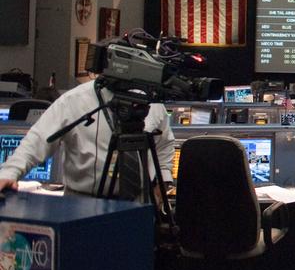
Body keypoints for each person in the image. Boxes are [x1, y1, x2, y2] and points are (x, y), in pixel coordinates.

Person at [0, 77, 175, 197]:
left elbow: (164, 143)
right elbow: (38, 140)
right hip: (83, 204)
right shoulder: (74, 101)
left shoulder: (150, 101)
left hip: (140, 203)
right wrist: (9, 172)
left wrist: (161, 183)